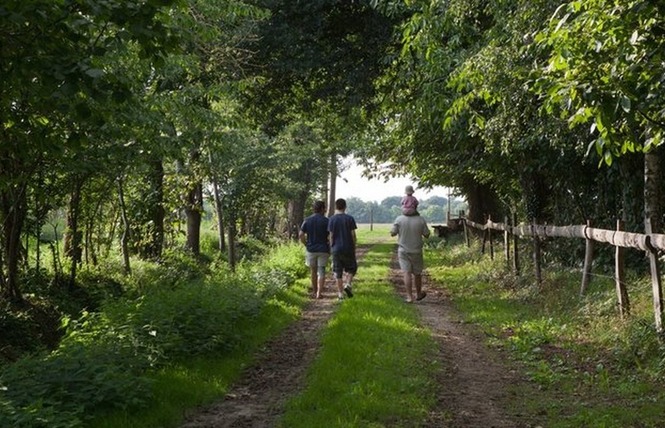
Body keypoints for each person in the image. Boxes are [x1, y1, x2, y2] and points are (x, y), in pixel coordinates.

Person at [390, 211, 431, 303]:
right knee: (417, 273)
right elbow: (427, 234)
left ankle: (409, 297)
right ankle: (419, 293)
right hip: (416, 251)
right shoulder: (421, 219)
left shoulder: (399, 219)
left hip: (403, 250)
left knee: (406, 273)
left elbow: (393, 233)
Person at [299, 200, 330, 299]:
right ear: (322, 209)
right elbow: (331, 235)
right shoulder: (326, 221)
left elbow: (301, 235)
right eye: (324, 208)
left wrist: (306, 244)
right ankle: (319, 293)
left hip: (311, 249)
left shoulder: (307, 220)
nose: (325, 210)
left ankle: (314, 291)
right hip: (323, 249)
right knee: (321, 270)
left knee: (313, 271)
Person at [328, 198, 357, 300]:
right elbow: (353, 235)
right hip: (348, 247)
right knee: (352, 268)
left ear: (336, 207)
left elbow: (331, 236)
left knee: (338, 271)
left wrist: (332, 248)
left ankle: (340, 294)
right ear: (345, 206)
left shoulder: (331, 219)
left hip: (336, 248)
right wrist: (354, 246)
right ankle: (348, 284)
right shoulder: (350, 218)